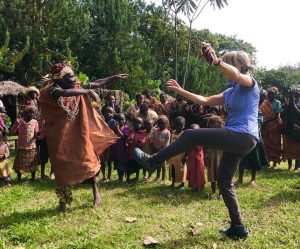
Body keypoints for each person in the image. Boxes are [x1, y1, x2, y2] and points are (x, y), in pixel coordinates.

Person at [134, 43, 258, 239]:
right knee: (225, 182)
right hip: (240, 139)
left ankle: (153, 160)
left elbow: (235, 75)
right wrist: (181, 91)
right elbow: (205, 100)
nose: (222, 70)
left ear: (238, 66)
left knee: (190, 135)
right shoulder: (230, 92)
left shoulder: (249, 82)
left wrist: (217, 61)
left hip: (243, 134)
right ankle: (238, 227)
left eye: (227, 64)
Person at [39, 61, 128, 213]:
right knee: (61, 167)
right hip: (58, 136)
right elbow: (65, 94)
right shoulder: (50, 91)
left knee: (88, 160)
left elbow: (94, 83)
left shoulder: (75, 86)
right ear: (59, 79)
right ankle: (63, 202)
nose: (74, 80)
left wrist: (113, 77)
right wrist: (87, 92)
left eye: (74, 77)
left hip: (78, 132)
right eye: (70, 77)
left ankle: (96, 191)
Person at [11, 106, 40, 182]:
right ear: (25, 113)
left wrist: (38, 134)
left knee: (32, 163)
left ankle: (33, 178)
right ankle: (19, 178)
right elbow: (12, 131)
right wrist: (16, 123)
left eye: (33, 113)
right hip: (21, 146)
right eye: (30, 113)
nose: (31, 115)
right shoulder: (19, 121)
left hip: (32, 146)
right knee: (19, 163)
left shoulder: (35, 122)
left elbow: (37, 133)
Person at [260, 87, 282, 167]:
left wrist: (265, 119)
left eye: (272, 94)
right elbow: (261, 114)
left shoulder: (277, 103)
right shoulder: (264, 103)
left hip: (275, 126)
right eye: (269, 94)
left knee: (275, 143)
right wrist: (263, 120)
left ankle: (275, 163)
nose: (270, 95)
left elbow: (276, 115)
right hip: (265, 126)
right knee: (266, 144)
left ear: (275, 95)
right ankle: (267, 161)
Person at [281, 87, 300, 172]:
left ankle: (296, 167)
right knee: (288, 148)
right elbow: (281, 114)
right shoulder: (286, 104)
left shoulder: (299, 104)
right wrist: (288, 106)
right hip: (288, 129)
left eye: (294, 95)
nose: (292, 97)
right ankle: (289, 166)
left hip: (297, 129)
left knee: (297, 149)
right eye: (291, 95)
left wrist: (294, 106)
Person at [205, 115, 224, 198]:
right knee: (212, 174)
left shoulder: (223, 133)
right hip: (211, 157)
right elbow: (205, 146)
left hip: (221, 157)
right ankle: (213, 192)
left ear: (219, 123)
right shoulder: (208, 133)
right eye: (210, 123)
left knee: (221, 175)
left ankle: (221, 193)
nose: (211, 125)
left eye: (213, 122)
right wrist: (205, 157)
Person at [185, 124, 206, 191]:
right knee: (192, 171)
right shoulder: (188, 139)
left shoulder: (201, 138)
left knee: (199, 171)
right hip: (191, 156)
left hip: (199, 157)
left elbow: (200, 147)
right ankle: (193, 186)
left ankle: (200, 186)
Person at [126, 117, 147, 183]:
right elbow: (127, 141)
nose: (138, 124)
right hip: (130, 153)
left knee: (137, 166)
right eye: (136, 123)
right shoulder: (131, 131)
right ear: (133, 123)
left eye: (140, 123)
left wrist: (140, 141)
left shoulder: (142, 133)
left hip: (138, 153)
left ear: (142, 124)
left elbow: (143, 142)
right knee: (129, 166)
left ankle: (137, 178)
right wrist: (130, 139)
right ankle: (128, 178)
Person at [110, 113, 130, 182]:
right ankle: (120, 178)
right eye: (119, 120)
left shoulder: (126, 128)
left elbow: (124, 137)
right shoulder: (114, 128)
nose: (121, 121)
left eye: (122, 120)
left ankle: (127, 178)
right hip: (116, 151)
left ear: (125, 121)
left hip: (124, 151)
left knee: (124, 165)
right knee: (118, 165)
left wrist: (118, 130)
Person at [168, 116, 186, 188]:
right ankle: (173, 183)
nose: (178, 127)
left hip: (181, 156)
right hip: (173, 155)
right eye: (177, 125)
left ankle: (182, 184)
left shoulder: (184, 134)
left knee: (181, 170)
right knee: (173, 169)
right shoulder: (172, 133)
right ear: (174, 125)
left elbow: (186, 146)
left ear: (184, 125)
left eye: (180, 125)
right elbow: (170, 143)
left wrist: (185, 156)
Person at [152, 115, 170, 183]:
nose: (161, 125)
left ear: (166, 124)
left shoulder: (167, 132)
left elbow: (167, 143)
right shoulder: (156, 131)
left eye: (163, 123)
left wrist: (162, 150)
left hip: (163, 151)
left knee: (163, 165)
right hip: (156, 150)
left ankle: (163, 178)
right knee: (158, 164)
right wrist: (155, 147)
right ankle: (157, 176)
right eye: (159, 123)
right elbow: (154, 140)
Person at [0, 107, 11, 185]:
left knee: (4, 166)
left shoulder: (3, 118)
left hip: (2, 139)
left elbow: (4, 129)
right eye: (2, 112)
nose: (4, 114)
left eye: (4, 112)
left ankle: (6, 179)